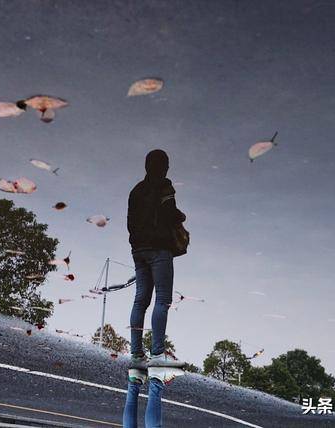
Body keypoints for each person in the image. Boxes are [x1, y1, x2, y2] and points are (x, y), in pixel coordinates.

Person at [123, 149, 186, 428]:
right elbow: (170, 213)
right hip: (160, 249)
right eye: (167, 165)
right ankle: (157, 352)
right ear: (161, 167)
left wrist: (138, 244)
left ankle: (136, 351)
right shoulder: (164, 186)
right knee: (163, 300)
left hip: (139, 250)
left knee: (141, 300)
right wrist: (180, 216)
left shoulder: (135, 191)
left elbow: (130, 223)